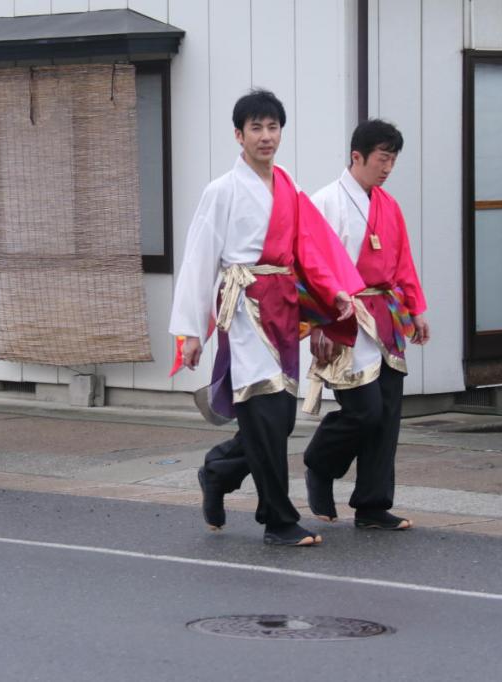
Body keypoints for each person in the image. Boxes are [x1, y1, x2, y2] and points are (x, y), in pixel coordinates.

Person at [169, 89, 365, 547]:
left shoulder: (289, 188)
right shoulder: (221, 191)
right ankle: (277, 519)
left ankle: (218, 472)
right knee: (266, 413)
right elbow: (199, 259)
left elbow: (310, 249)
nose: (265, 136)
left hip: (284, 309)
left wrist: (334, 292)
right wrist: (191, 331)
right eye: (255, 128)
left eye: (272, 127)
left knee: (276, 419)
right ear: (238, 135)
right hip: (244, 309)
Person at [302, 119, 428, 531]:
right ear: (357, 156)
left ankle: (373, 505)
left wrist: (418, 309)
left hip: (386, 315)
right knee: (364, 411)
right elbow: (310, 267)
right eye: (382, 158)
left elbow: (403, 262)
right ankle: (319, 464)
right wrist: (317, 321)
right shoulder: (326, 202)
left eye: (393, 159)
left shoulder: (388, 205)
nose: (388, 167)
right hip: (344, 317)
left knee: (388, 412)